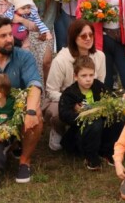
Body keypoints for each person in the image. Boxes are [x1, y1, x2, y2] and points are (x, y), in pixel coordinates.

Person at [0, 16, 42, 183]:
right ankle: (9, 147)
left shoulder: (24, 57)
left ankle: (24, 161)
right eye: (3, 36)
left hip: (18, 114)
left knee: (37, 113)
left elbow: (35, 85)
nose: (9, 39)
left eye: (10, 34)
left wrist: (31, 111)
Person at [45, 19, 105, 151]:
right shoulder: (61, 60)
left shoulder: (100, 56)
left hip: (89, 98)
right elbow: (51, 90)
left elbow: (100, 85)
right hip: (63, 98)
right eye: (83, 36)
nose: (88, 38)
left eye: (91, 35)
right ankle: (58, 130)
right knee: (56, 112)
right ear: (74, 38)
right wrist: (72, 103)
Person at [59, 56, 120, 170]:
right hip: (81, 133)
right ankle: (91, 157)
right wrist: (80, 113)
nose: (88, 79)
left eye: (91, 75)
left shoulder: (98, 86)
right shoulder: (70, 93)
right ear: (76, 76)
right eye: (84, 76)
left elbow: (111, 98)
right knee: (94, 121)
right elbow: (63, 114)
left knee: (117, 117)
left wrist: (105, 107)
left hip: (102, 130)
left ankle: (107, 151)